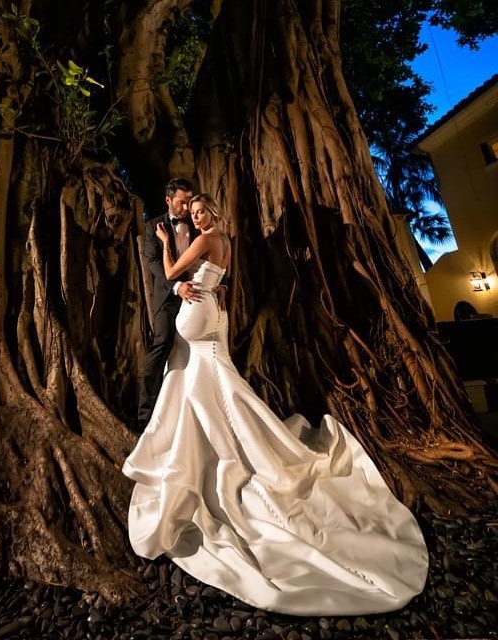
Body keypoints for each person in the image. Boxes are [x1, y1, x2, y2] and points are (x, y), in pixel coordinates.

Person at [123, 193, 428, 616]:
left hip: (202, 318)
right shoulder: (224, 240)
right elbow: (217, 279)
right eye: (191, 214)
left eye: (200, 211)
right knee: (214, 389)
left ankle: (219, 458)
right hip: (213, 317)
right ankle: (210, 451)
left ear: (212, 210)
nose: (196, 217)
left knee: (217, 393)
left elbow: (174, 271)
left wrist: (163, 244)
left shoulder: (207, 238)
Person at [137, 178, 203, 431]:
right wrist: (177, 287)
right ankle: (145, 416)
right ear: (168, 200)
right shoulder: (154, 226)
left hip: (196, 297)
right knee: (162, 345)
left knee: (195, 349)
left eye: (189, 202)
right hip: (167, 298)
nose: (186, 208)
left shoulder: (196, 224)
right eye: (181, 202)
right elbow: (153, 263)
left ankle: (190, 413)